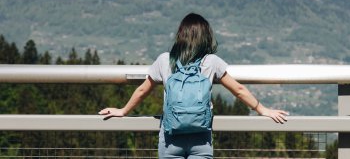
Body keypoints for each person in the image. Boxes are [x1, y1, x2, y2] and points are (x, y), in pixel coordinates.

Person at [99, 13, 288, 158]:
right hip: (201, 136)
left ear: (180, 35)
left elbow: (142, 91)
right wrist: (262, 109)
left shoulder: (165, 60)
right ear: (206, 37)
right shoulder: (211, 61)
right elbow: (239, 90)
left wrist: (123, 111)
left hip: (171, 136)